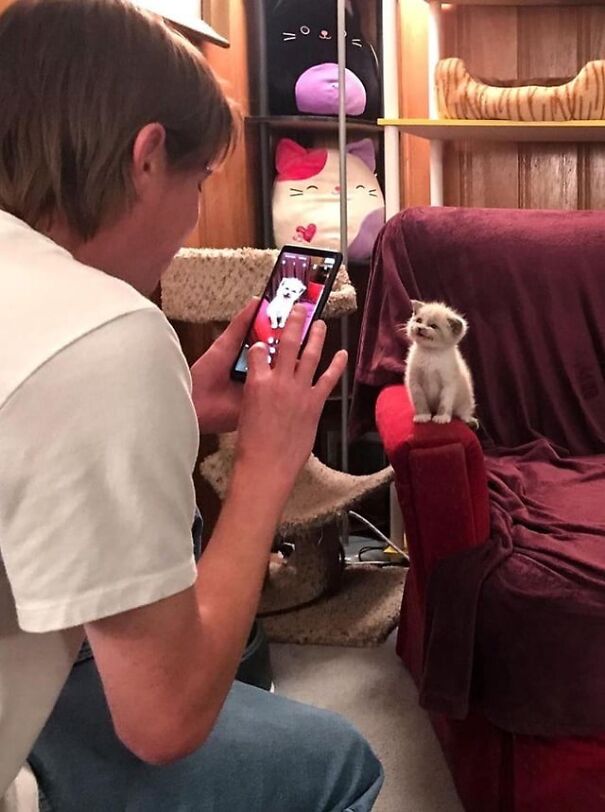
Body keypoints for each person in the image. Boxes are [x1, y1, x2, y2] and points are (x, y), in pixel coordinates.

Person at [0, 1, 384, 810]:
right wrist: (264, 473)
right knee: (339, 761)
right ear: (146, 157)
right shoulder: (99, 331)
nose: (196, 218)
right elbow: (164, 720)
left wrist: (182, 409)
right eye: (201, 180)